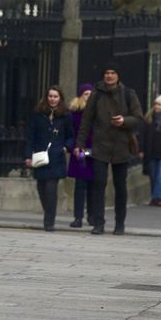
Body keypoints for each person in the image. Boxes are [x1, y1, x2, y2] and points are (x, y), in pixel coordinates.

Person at [74, 61, 144, 235]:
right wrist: (80, 144)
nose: (109, 75)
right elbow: (86, 121)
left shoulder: (128, 94)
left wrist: (124, 121)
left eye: (113, 72)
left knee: (120, 186)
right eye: (107, 72)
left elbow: (138, 118)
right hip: (100, 145)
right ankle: (99, 223)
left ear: (118, 75)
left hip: (121, 145)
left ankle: (119, 223)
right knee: (98, 184)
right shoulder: (96, 94)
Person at [25, 85, 75, 231]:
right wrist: (28, 155)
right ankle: (48, 213)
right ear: (47, 98)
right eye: (50, 96)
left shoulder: (65, 115)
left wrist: (66, 147)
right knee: (41, 187)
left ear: (60, 98)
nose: (53, 99)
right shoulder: (38, 114)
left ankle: (49, 221)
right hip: (40, 156)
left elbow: (71, 136)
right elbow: (31, 137)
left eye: (55, 96)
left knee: (51, 188)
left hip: (57, 157)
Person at [66, 83, 95, 228]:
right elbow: (70, 133)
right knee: (80, 186)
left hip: (93, 152)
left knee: (92, 186)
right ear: (80, 96)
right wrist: (74, 148)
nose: (88, 97)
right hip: (79, 153)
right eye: (86, 94)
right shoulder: (75, 113)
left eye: (91, 94)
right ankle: (78, 217)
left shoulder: (97, 113)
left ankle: (92, 215)